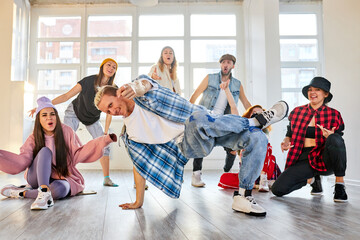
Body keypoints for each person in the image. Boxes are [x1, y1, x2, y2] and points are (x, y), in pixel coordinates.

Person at [94, 74, 289, 216]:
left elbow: (147, 84)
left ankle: (243, 196)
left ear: (119, 93)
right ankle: (255, 121)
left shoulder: (143, 92)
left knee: (258, 139)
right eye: (107, 112)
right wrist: (138, 201)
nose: (113, 112)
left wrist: (138, 87)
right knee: (196, 118)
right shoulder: (131, 133)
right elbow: (139, 164)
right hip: (189, 144)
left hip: (212, 127)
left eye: (110, 105)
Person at [0, 97, 116, 210]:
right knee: (45, 151)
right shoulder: (34, 137)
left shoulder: (67, 131)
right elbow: (22, 161)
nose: (49, 118)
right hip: (35, 177)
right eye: (44, 115)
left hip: (60, 175)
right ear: (39, 120)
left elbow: (79, 152)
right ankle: (44, 192)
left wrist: (104, 140)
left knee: (59, 191)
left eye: (52, 114)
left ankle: (23, 193)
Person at [29, 58, 118, 187]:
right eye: (109, 65)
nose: (111, 68)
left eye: (114, 67)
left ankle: (107, 178)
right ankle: (55, 173)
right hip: (74, 112)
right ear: (102, 66)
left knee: (105, 144)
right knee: (64, 141)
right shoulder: (88, 81)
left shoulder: (113, 89)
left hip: (92, 118)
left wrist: (105, 131)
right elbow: (66, 96)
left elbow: (110, 111)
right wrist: (43, 106)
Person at [271, 77, 348, 202]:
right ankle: (312, 180)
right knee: (277, 189)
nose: (312, 93)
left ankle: (340, 185)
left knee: (335, 138)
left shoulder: (334, 114)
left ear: (326, 94)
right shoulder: (297, 112)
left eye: (317, 90)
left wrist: (331, 136)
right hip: (303, 158)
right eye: (310, 90)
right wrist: (286, 141)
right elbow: (289, 133)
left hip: (325, 158)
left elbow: (339, 142)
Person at [189, 54, 251, 187]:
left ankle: (226, 174)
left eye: (229, 62)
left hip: (224, 120)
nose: (226, 64)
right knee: (200, 142)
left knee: (233, 147)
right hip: (207, 116)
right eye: (223, 62)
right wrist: (188, 113)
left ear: (233, 66)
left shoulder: (237, 84)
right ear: (220, 65)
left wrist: (255, 111)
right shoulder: (210, 78)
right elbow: (195, 95)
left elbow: (245, 102)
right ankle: (196, 175)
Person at [219, 81, 280, 192]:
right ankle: (256, 184)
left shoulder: (264, 132)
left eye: (260, 114)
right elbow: (233, 106)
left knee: (264, 144)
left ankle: (264, 179)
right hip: (249, 170)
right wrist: (227, 90)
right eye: (254, 113)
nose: (257, 115)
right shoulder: (243, 127)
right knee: (224, 178)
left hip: (266, 169)